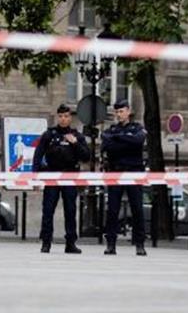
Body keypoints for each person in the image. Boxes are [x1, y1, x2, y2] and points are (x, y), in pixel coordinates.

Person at [32, 104, 91, 254]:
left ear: (70, 118)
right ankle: (46, 242)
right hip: (52, 176)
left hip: (70, 177)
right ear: (58, 117)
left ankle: (70, 243)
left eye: (66, 116)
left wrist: (75, 143)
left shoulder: (76, 135)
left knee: (70, 210)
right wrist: (35, 178)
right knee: (48, 210)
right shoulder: (49, 134)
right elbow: (38, 156)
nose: (63, 119)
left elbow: (86, 156)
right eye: (61, 116)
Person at [102, 98, 148, 256]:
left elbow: (138, 141)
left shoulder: (137, 128)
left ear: (128, 111)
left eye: (121, 111)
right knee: (113, 210)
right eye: (117, 112)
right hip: (116, 172)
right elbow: (107, 144)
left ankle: (139, 243)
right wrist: (125, 140)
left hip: (134, 172)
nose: (119, 114)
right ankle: (111, 244)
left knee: (137, 209)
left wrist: (119, 139)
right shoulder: (111, 130)